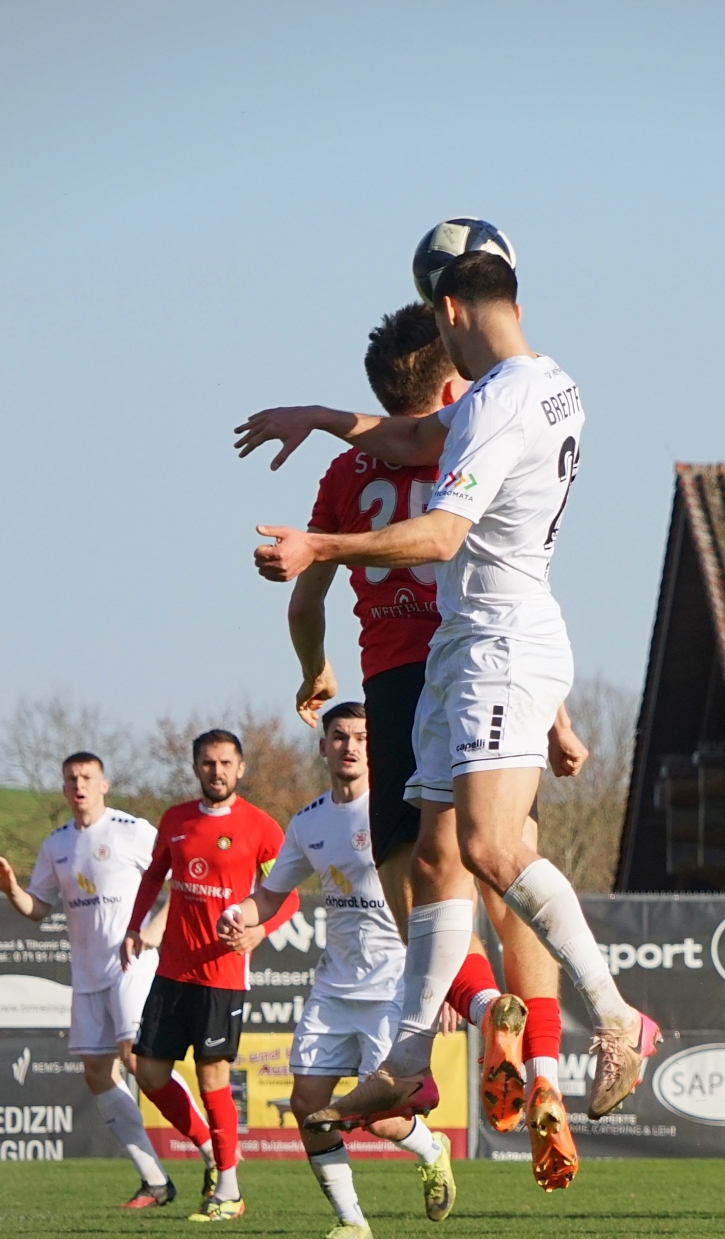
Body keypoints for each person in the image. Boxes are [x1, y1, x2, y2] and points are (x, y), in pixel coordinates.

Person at [237, 247, 658, 1134]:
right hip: (459, 653)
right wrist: (318, 415)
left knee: (494, 850)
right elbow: (422, 438)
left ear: (454, 310)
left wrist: (322, 546)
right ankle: (407, 1057)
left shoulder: (500, 405)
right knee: (434, 862)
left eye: (436, 321)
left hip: (498, 647)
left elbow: (437, 536)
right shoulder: (546, 383)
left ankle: (617, 1020)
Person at [283, 300, 585, 1187]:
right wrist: (558, 716)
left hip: (404, 682)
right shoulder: (479, 438)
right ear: (448, 375)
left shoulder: (349, 477)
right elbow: (524, 575)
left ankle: (482, 1005)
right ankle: (546, 1074)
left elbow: (306, 599)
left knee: (409, 879)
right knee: (510, 869)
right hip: (497, 670)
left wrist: (313, 671)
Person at [226, 703, 457, 1239]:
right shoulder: (309, 822)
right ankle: (353, 1223)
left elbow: (444, 892)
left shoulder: (401, 810)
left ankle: (431, 1149)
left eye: (360, 737)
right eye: (339, 736)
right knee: (308, 1104)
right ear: (323, 746)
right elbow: (269, 894)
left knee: (380, 1119)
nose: (350, 746)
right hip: (334, 988)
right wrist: (239, 913)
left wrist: (447, 982)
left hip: (393, 987)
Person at [0, 753, 215, 1209]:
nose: (78, 785)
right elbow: (38, 909)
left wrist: (155, 928)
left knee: (135, 1059)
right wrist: (11, 887)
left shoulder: (132, 830)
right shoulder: (57, 845)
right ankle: (154, 1180)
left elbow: (184, 879)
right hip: (87, 974)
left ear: (104, 783)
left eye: (87, 777)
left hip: (132, 963)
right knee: (96, 1072)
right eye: (71, 778)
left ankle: (214, 1154)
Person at [121, 729, 300, 1223]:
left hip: (223, 974)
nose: (216, 771)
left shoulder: (261, 827)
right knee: (150, 1073)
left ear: (240, 769)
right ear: (196, 767)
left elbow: (290, 895)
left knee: (212, 1076)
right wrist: (135, 926)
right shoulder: (176, 820)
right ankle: (207, 1147)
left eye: (225, 763)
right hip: (173, 970)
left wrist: (259, 932)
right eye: (207, 763)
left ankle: (229, 1190)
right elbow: (154, 875)